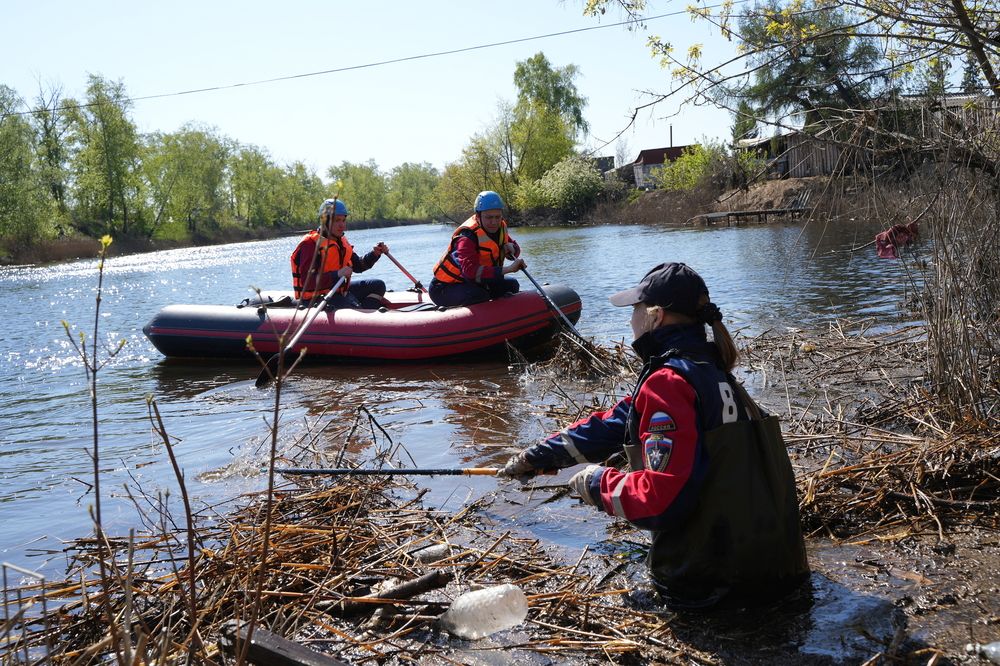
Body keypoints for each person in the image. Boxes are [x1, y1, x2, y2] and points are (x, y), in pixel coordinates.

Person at [500, 262, 809, 610]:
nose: (630, 320)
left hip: (715, 589)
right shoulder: (711, 370)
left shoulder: (669, 381)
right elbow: (620, 421)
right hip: (778, 572)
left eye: (634, 310)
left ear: (655, 316)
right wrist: (541, 455)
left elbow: (659, 501)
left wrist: (596, 483)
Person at [429, 190, 526, 307]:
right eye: (489, 217)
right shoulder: (466, 237)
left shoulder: (499, 228)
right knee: (479, 295)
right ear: (478, 216)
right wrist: (508, 269)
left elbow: (514, 249)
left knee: (512, 285)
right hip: (445, 287)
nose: (494, 222)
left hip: (476, 283)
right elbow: (470, 272)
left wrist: (513, 248)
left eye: (497, 217)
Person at [291, 198, 389, 309]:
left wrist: (374, 254)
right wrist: (337, 274)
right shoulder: (310, 244)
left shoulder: (341, 242)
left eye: (343, 220)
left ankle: (368, 315)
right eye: (337, 220)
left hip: (338, 292)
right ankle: (360, 312)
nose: (342, 225)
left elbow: (358, 266)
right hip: (316, 298)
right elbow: (307, 283)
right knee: (352, 306)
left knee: (378, 285)